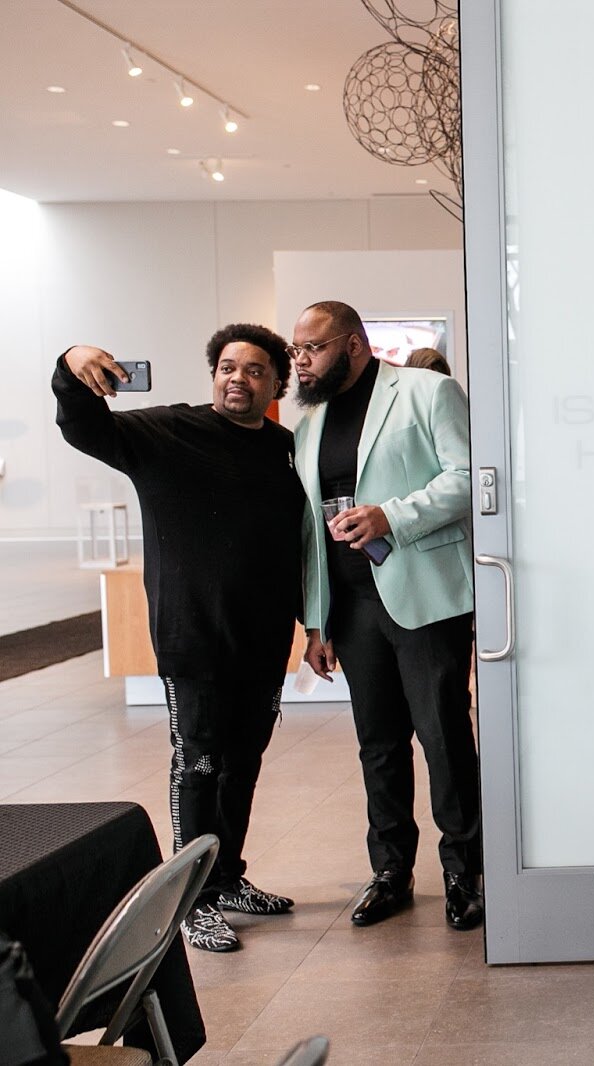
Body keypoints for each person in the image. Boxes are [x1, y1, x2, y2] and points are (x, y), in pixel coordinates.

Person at [53, 326, 304, 952]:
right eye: (225, 367)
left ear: (277, 383)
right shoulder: (167, 432)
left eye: (252, 370)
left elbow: (294, 549)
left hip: (263, 640)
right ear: (212, 374)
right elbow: (85, 427)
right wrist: (70, 362)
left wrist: (311, 624)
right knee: (199, 763)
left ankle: (226, 880)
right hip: (191, 636)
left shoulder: (285, 448)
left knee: (242, 766)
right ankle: (190, 902)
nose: (236, 378)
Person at [289, 300, 484, 931]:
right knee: (378, 745)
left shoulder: (426, 391)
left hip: (425, 599)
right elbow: (310, 531)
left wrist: (390, 516)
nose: (301, 362)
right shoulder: (310, 423)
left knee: (444, 739)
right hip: (351, 606)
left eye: (312, 348)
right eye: (296, 351)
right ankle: (391, 871)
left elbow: (469, 478)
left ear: (352, 345)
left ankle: (463, 872)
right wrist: (316, 622)